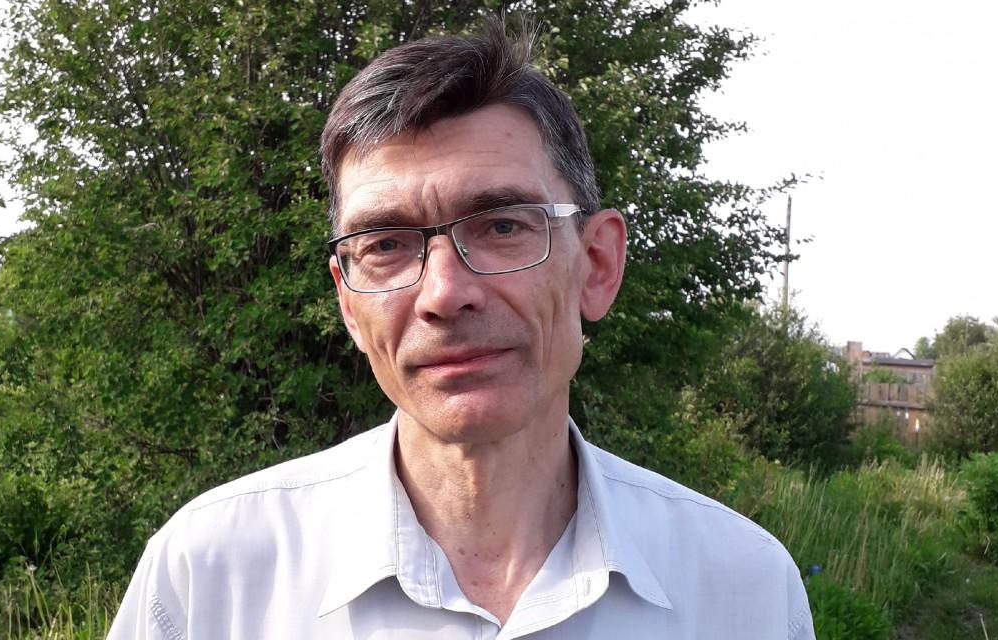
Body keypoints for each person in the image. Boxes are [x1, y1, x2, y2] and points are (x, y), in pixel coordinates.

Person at [108, 19, 814, 640]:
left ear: (597, 265)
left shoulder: (743, 589)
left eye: (502, 227)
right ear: (349, 303)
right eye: (386, 244)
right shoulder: (208, 580)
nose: (444, 294)